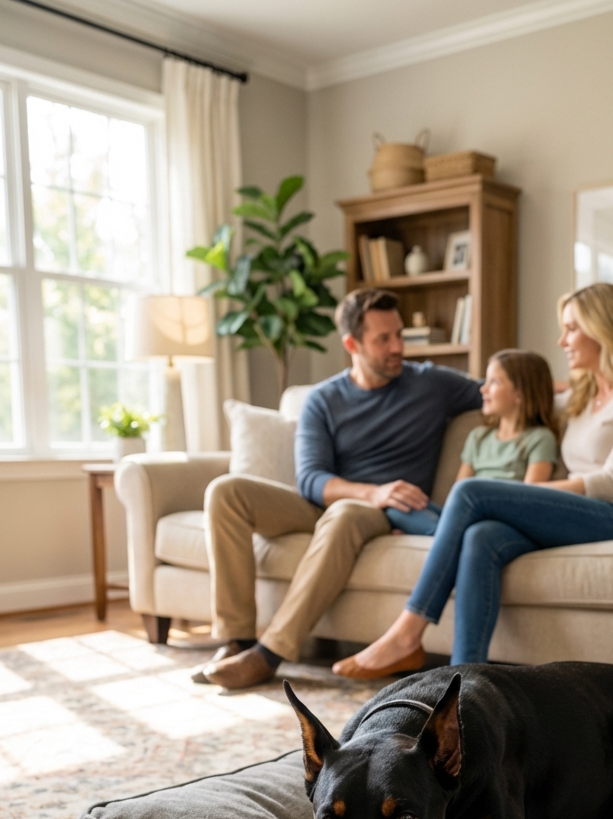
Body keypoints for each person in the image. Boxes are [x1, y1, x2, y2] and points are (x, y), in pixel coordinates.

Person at [332, 282, 613, 678]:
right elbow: (528, 390)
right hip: (582, 514)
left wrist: (523, 495)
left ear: (606, 329)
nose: (562, 340)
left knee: (472, 492)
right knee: (482, 537)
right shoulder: (584, 394)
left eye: (572, 329)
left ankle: (408, 631)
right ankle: (462, 685)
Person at [195, 288, 482, 689]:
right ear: (352, 344)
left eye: (399, 334)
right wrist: (371, 490)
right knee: (226, 492)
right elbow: (310, 479)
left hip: (379, 513)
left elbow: (505, 387)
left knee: (344, 513)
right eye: (384, 339)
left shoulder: (431, 384)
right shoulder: (323, 400)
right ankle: (237, 638)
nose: (398, 346)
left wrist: (584, 383)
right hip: (339, 499)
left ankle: (269, 653)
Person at [389, 348, 561, 536]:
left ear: (520, 393)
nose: (483, 389)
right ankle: (445, 533)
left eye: (494, 382)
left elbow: (530, 501)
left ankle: (439, 535)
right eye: (486, 381)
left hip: (500, 520)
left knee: (475, 527)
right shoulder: (478, 437)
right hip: (466, 514)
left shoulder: (540, 438)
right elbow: (458, 493)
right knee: (398, 507)